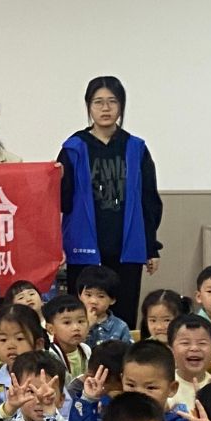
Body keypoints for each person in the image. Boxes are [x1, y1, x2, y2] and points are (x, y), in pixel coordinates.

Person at [58, 76, 162, 321]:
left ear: (121, 106)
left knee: (124, 314)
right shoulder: (73, 148)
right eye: (98, 102)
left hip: (126, 246)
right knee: (82, 318)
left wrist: (151, 247)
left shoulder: (136, 148)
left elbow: (149, 200)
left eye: (112, 101)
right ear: (89, 106)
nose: (105, 108)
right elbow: (60, 201)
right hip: (84, 246)